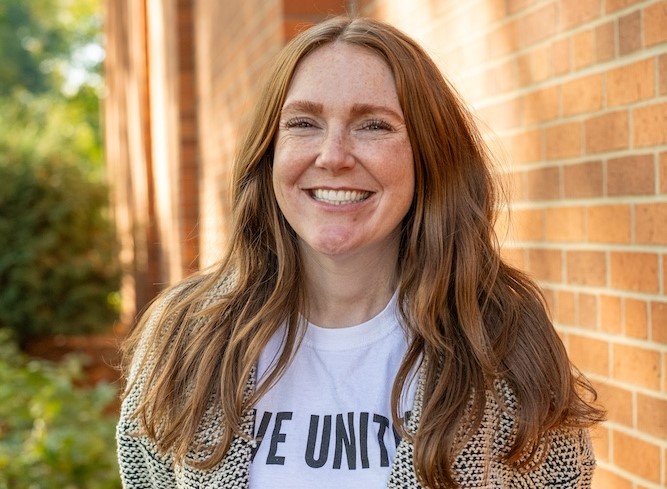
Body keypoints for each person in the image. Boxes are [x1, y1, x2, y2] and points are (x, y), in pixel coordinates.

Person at [117, 16, 605, 489]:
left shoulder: (501, 341)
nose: (332, 156)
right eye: (304, 123)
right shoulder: (185, 337)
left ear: (428, 154)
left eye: (372, 125)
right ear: (269, 152)